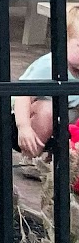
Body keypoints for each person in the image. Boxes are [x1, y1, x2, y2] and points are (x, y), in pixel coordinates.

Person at [17, 21, 79, 158]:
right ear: (63, 43)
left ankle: (63, 160)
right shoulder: (49, 65)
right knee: (47, 110)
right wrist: (24, 127)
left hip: (66, 117)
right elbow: (22, 95)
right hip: (25, 119)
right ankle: (31, 157)